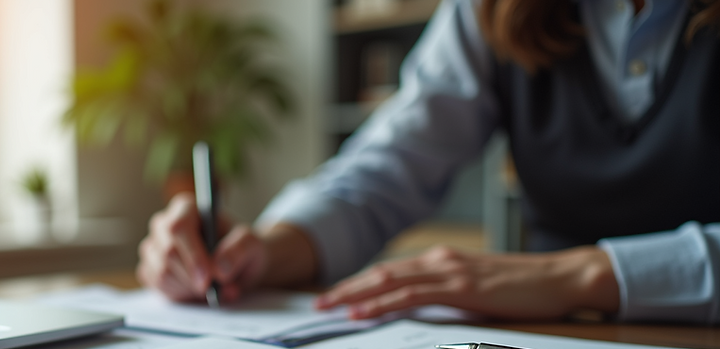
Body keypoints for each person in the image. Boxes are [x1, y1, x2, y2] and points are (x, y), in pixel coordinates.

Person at [137, 0, 720, 324]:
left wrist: (588, 275)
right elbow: (389, 163)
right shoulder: (491, 9)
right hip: (562, 343)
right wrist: (266, 250)